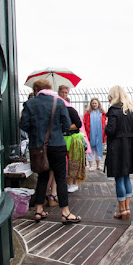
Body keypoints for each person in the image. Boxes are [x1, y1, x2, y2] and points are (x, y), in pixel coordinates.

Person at [19, 79, 81, 224]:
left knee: (42, 178)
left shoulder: (29, 104)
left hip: (38, 147)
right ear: (49, 89)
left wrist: (37, 132)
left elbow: (23, 125)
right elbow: (66, 125)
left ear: (36, 90)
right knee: (60, 178)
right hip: (57, 144)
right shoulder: (58, 102)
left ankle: (38, 210)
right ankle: (65, 213)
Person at [105, 85, 133, 219]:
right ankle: (127, 209)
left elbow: (110, 131)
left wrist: (106, 125)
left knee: (119, 177)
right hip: (131, 147)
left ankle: (122, 210)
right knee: (126, 177)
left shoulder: (114, 110)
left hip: (117, 147)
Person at [58, 85, 87, 193]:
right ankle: (67, 183)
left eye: (66, 92)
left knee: (73, 162)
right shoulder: (57, 108)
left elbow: (78, 124)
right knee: (64, 163)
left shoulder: (70, 110)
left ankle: (73, 183)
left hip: (72, 139)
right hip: (61, 139)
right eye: (62, 92)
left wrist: (65, 128)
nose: (64, 94)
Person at [83, 98, 107, 171]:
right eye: (93, 103)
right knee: (90, 151)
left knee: (98, 150)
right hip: (90, 134)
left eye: (95, 103)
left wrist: (105, 135)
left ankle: (98, 165)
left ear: (98, 104)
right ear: (91, 104)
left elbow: (106, 124)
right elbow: (84, 123)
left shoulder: (103, 113)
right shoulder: (87, 113)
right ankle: (90, 166)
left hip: (100, 134)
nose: (94, 104)